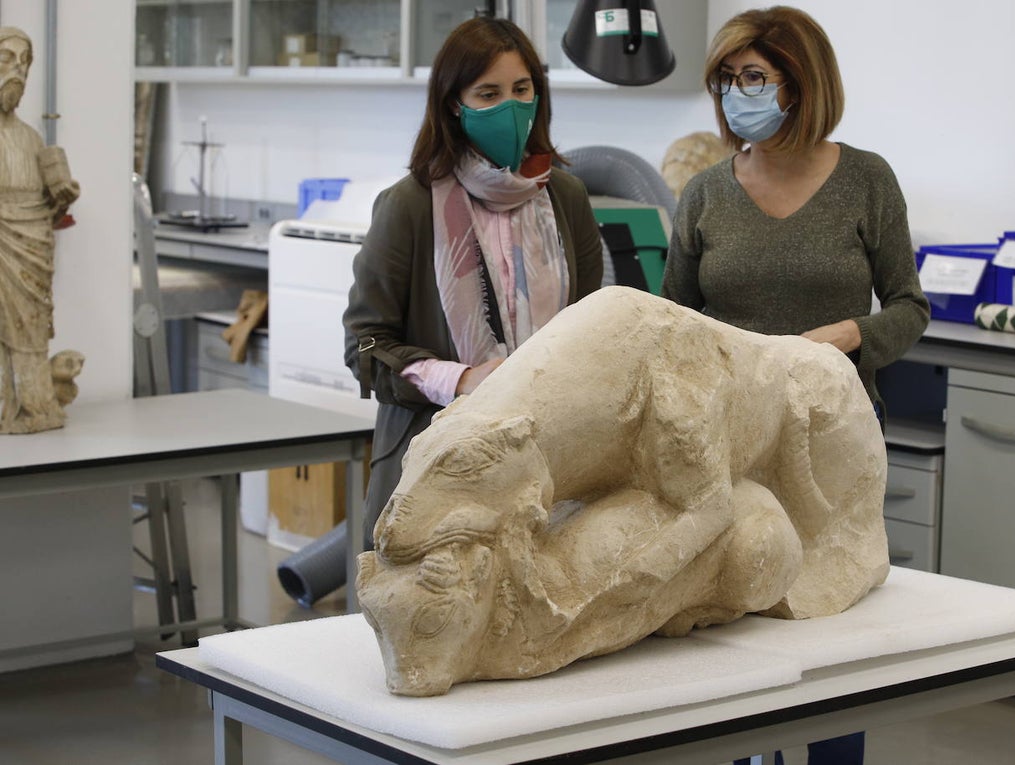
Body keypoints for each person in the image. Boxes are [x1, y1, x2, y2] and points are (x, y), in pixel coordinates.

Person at [661, 6, 930, 764]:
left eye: (755, 76)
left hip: (835, 443)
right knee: (737, 632)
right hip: (736, 443)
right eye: (727, 78)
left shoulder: (866, 181)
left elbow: (910, 306)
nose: (737, 92)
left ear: (801, 81)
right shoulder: (708, 194)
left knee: (832, 635)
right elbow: (672, 322)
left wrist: (853, 335)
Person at [343, 16, 603, 549]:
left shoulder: (567, 198)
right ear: (453, 105)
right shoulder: (410, 205)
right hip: (434, 464)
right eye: (488, 94)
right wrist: (461, 380)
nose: (510, 107)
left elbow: (592, 327)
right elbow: (366, 346)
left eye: (522, 89)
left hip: (552, 460)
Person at [0, 26, 82, 434]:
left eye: (24, 63)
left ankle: (36, 407)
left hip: (30, 252)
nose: (17, 72)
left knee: (30, 329)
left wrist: (60, 197)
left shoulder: (33, 139)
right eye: (6, 59)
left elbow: (48, 211)